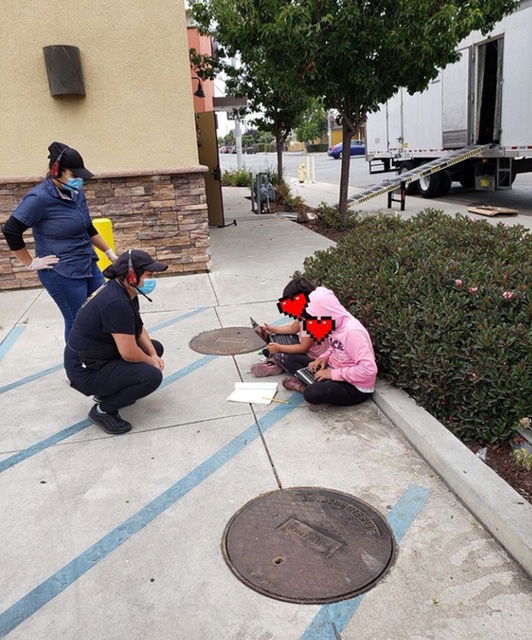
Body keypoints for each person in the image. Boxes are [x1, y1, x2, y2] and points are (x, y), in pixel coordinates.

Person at [2, 141, 117, 341]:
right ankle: (77, 367)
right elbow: (11, 230)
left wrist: (108, 252)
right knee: (78, 321)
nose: (79, 180)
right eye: (74, 175)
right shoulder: (39, 198)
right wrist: (30, 262)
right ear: (57, 171)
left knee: (103, 310)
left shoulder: (75, 193)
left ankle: (98, 360)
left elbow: (87, 226)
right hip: (62, 272)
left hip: (86, 263)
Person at [64, 249, 168, 435]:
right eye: (149, 275)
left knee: (155, 347)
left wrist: (152, 353)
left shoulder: (125, 289)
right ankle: (103, 410)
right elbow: (128, 352)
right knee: (151, 376)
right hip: (84, 371)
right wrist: (151, 362)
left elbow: (137, 327)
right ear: (131, 275)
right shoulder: (116, 302)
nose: (153, 280)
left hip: (97, 355)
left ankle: (112, 389)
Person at [282, 286, 378, 410]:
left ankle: (306, 388)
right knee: (291, 359)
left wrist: (332, 374)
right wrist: (323, 358)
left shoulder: (352, 332)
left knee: (311, 393)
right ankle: (317, 386)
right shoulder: (335, 323)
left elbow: (368, 370)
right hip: (334, 370)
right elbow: (335, 347)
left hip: (355, 387)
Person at [250, 277, 327, 377]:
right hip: (304, 346)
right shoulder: (304, 314)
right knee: (275, 337)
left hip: (314, 358)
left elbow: (303, 348)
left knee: (286, 357)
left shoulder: (313, 321)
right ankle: (275, 360)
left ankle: (275, 364)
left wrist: (280, 348)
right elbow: (292, 329)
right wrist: (273, 329)